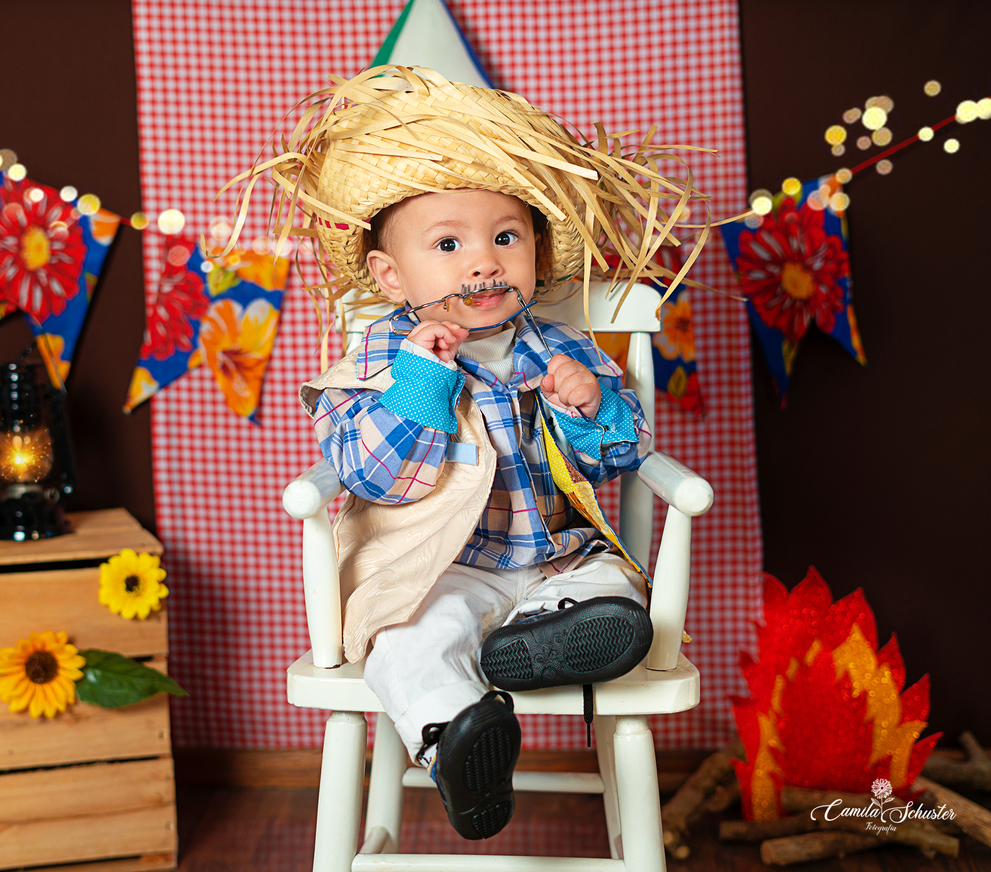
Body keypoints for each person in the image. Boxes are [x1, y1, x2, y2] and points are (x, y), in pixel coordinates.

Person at [227, 66, 711, 840]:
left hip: (557, 558)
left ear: (537, 253)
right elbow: (373, 477)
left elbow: (621, 458)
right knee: (407, 640)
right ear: (391, 275)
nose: (483, 261)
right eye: (449, 244)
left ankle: (545, 641)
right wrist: (423, 383)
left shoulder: (565, 348)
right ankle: (458, 738)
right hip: (439, 571)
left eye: (505, 238)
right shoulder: (381, 359)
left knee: (613, 588)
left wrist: (590, 406)